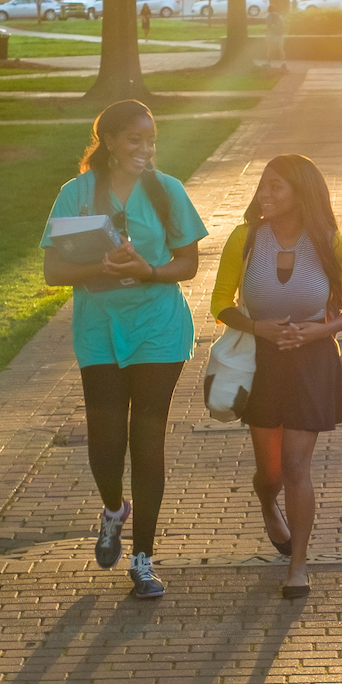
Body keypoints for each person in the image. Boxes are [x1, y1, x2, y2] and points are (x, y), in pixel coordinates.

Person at [41, 100, 207, 599]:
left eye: (151, 139)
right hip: (100, 328)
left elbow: (188, 263)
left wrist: (147, 271)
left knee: (148, 437)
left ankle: (144, 559)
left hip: (159, 325)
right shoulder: (75, 194)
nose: (145, 149)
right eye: (134, 139)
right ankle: (113, 509)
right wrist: (102, 269)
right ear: (109, 141)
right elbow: (53, 273)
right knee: (107, 442)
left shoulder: (167, 190)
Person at [208, 154, 342, 599]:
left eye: (276, 186)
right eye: (263, 186)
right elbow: (220, 302)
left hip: (312, 363)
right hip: (261, 363)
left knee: (297, 467)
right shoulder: (244, 238)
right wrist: (256, 326)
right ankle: (266, 504)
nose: (266, 194)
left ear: (301, 191)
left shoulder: (330, 241)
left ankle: (298, 566)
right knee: (271, 472)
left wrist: (322, 329)